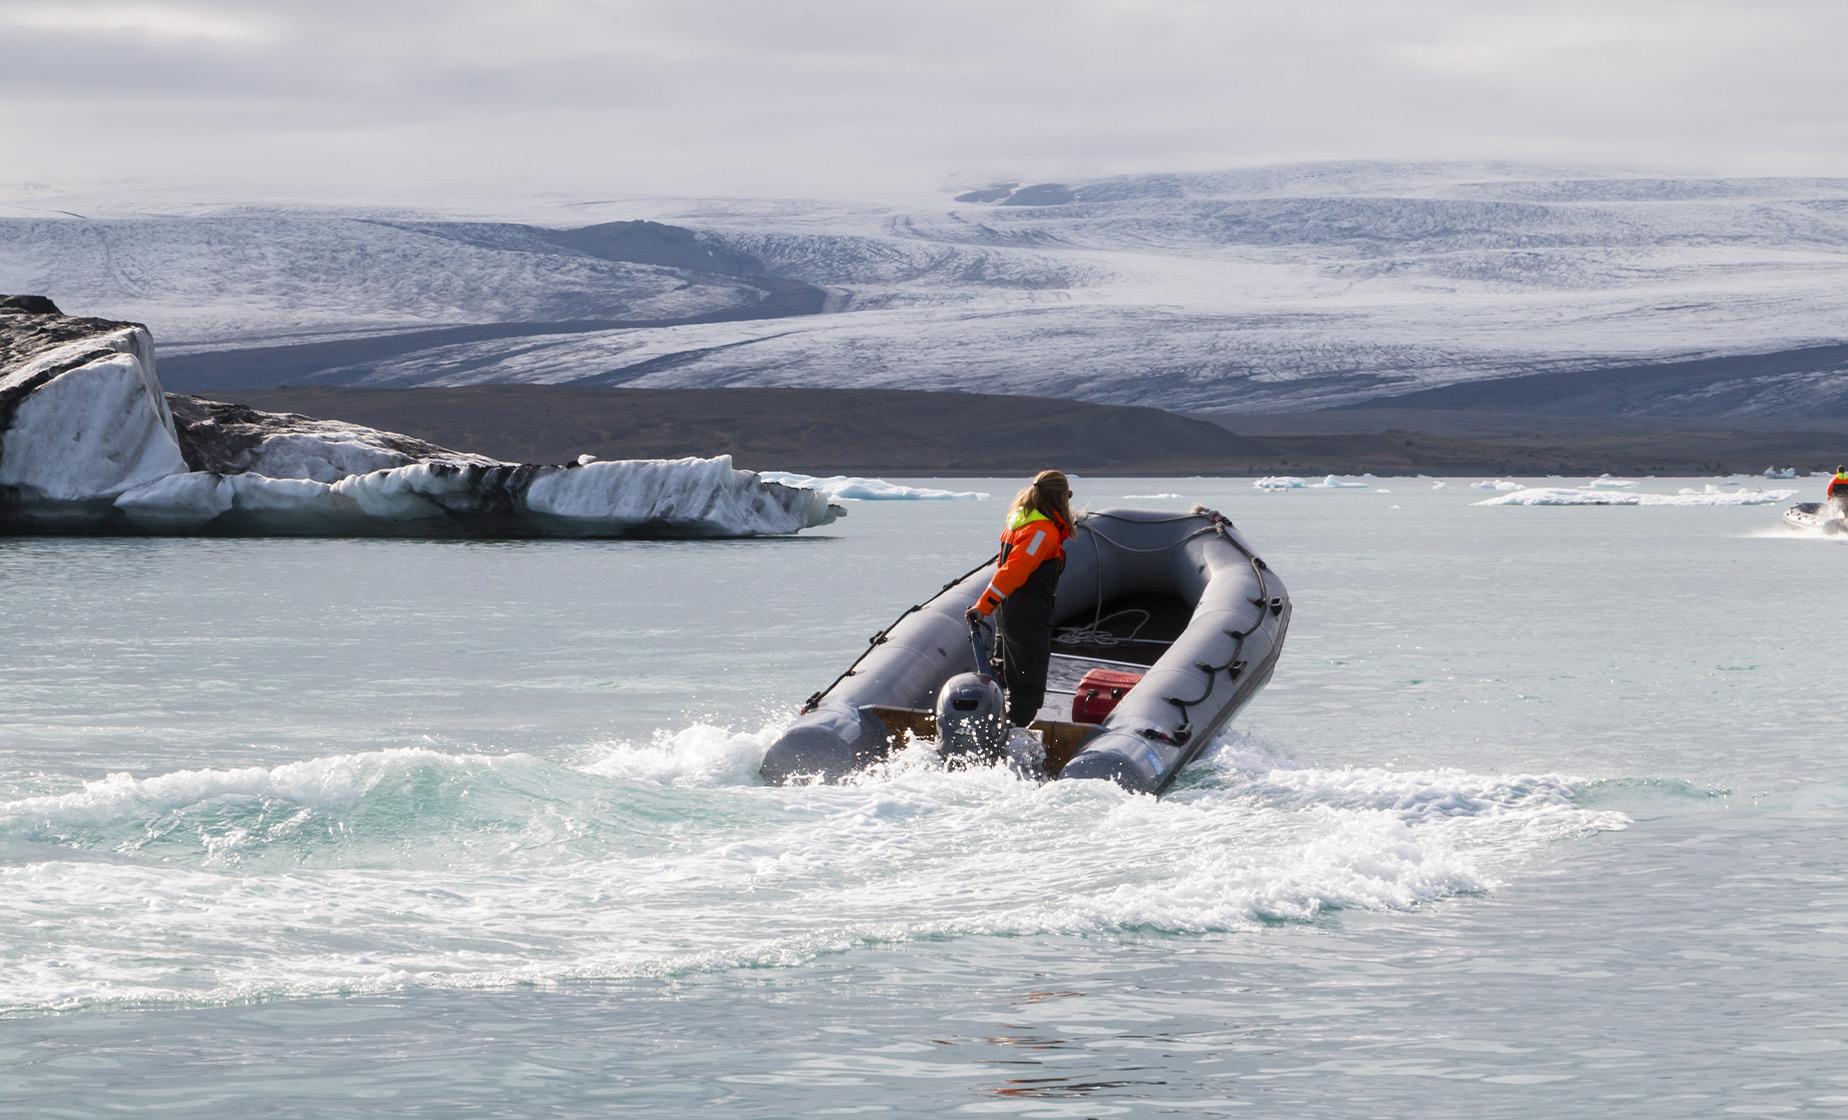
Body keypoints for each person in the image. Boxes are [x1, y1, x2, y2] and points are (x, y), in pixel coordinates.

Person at [965, 470, 1074, 727]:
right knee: (1027, 680)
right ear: (1058, 497)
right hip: (1026, 612)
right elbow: (1013, 571)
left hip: (1010, 609)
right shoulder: (1040, 532)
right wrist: (983, 607)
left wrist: (990, 604)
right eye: (1067, 496)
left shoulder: (1021, 522)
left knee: (1005, 668)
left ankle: (996, 725)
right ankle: (1012, 733)